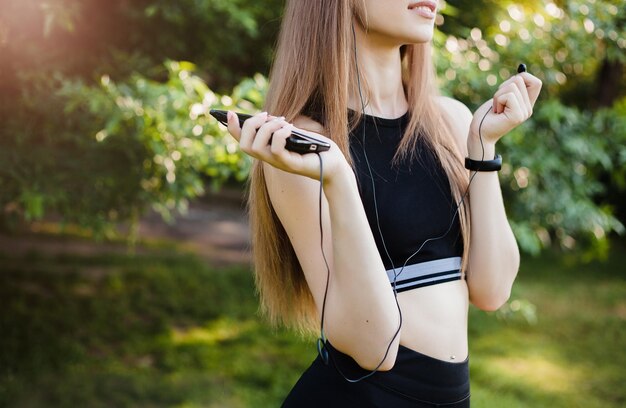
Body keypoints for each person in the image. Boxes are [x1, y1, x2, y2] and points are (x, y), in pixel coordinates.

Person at [225, 1, 542, 406]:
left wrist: (483, 147)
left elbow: (493, 290)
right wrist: (339, 180)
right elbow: (374, 347)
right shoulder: (304, 146)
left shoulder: (454, 122)